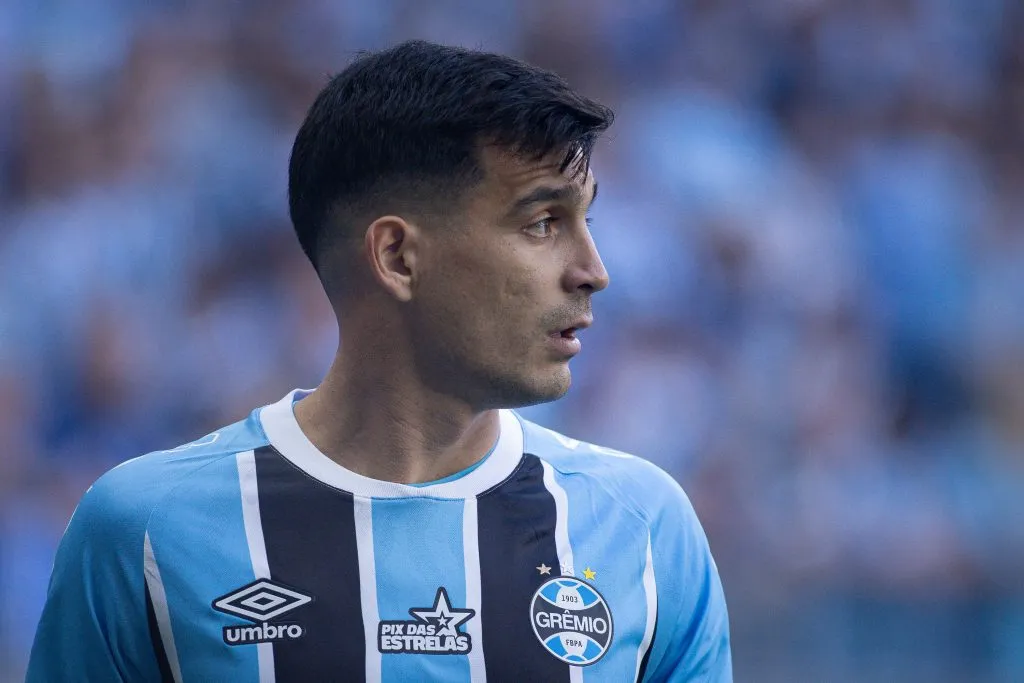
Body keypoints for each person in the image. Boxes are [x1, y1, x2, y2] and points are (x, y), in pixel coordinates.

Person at [27, 40, 731, 682]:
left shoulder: (642, 528)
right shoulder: (144, 530)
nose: (594, 269)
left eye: (587, 220)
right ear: (397, 255)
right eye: (542, 223)